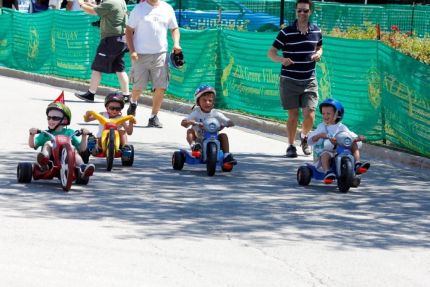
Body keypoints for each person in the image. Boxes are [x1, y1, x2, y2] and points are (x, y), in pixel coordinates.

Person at [268, 0, 322, 158]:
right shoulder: (286, 32)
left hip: (309, 79)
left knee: (310, 113)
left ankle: (304, 137)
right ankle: (291, 145)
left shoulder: (317, 31)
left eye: (305, 11)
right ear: (296, 12)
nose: (302, 14)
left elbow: (319, 46)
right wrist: (282, 60)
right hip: (289, 79)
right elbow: (271, 53)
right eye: (299, 11)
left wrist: (318, 54)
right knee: (293, 115)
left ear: (310, 12)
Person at [125, 0, 182, 128]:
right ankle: (133, 102)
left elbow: (174, 28)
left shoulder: (167, 8)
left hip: (161, 53)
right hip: (141, 54)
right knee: (138, 87)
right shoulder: (138, 9)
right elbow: (128, 31)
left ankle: (153, 117)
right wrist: (132, 51)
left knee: (161, 86)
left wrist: (176, 43)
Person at [74, 0, 130, 102]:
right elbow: (100, 7)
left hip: (111, 40)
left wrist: (81, 4)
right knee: (120, 69)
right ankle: (126, 96)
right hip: (121, 39)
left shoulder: (111, 3)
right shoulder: (120, 2)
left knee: (97, 67)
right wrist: (89, 4)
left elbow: (92, 11)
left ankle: (91, 94)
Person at [28, 97, 95, 179]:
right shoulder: (46, 134)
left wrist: (84, 136)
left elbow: (82, 149)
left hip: (68, 160)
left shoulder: (70, 133)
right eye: (49, 118)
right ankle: (44, 160)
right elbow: (32, 145)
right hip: (50, 161)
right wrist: (31, 135)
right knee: (48, 143)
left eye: (55, 118)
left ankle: (83, 168)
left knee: (73, 149)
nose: (51, 120)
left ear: (65, 120)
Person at [307, 98, 370, 182]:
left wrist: (358, 138)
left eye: (328, 113)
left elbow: (350, 134)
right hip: (328, 150)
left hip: (341, 149)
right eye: (323, 113)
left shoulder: (341, 127)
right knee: (325, 155)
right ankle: (327, 172)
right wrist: (320, 135)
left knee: (353, 143)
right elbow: (312, 138)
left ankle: (357, 164)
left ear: (337, 114)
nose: (325, 116)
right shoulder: (322, 127)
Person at [181, 84, 237, 165]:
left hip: (214, 138)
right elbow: (183, 123)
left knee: (223, 135)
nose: (207, 103)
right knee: (190, 131)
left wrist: (226, 124)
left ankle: (226, 155)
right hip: (198, 141)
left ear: (213, 102)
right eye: (204, 100)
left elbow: (230, 121)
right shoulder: (196, 113)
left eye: (210, 100)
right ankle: (193, 146)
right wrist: (191, 122)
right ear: (198, 101)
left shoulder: (216, 114)